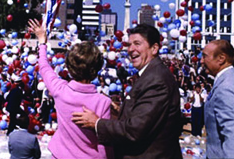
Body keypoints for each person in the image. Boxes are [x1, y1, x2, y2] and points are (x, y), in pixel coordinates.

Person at [72, 24, 182, 159]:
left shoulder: (156, 80)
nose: (131, 49)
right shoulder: (150, 74)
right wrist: (120, 111)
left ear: (154, 48)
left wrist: (96, 123)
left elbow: (135, 130)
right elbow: (147, 115)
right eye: (129, 44)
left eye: (137, 44)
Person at [28, 19, 114, 159]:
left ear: (68, 67)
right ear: (97, 68)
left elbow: (44, 67)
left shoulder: (60, 90)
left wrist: (42, 41)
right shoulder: (103, 102)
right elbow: (104, 142)